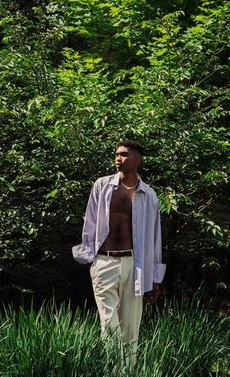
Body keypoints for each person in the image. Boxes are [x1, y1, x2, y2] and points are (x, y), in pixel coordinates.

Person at [72, 139, 165, 361]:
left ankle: (129, 371)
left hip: (136, 265)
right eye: (116, 154)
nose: (118, 158)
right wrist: (90, 260)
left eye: (124, 154)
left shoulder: (149, 195)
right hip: (104, 262)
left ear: (137, 159)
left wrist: (155, 278)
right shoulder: (102, 186)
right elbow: (90, 224)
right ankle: (112, 370)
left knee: (131, 330)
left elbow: (154, 237)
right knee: (109, 324)